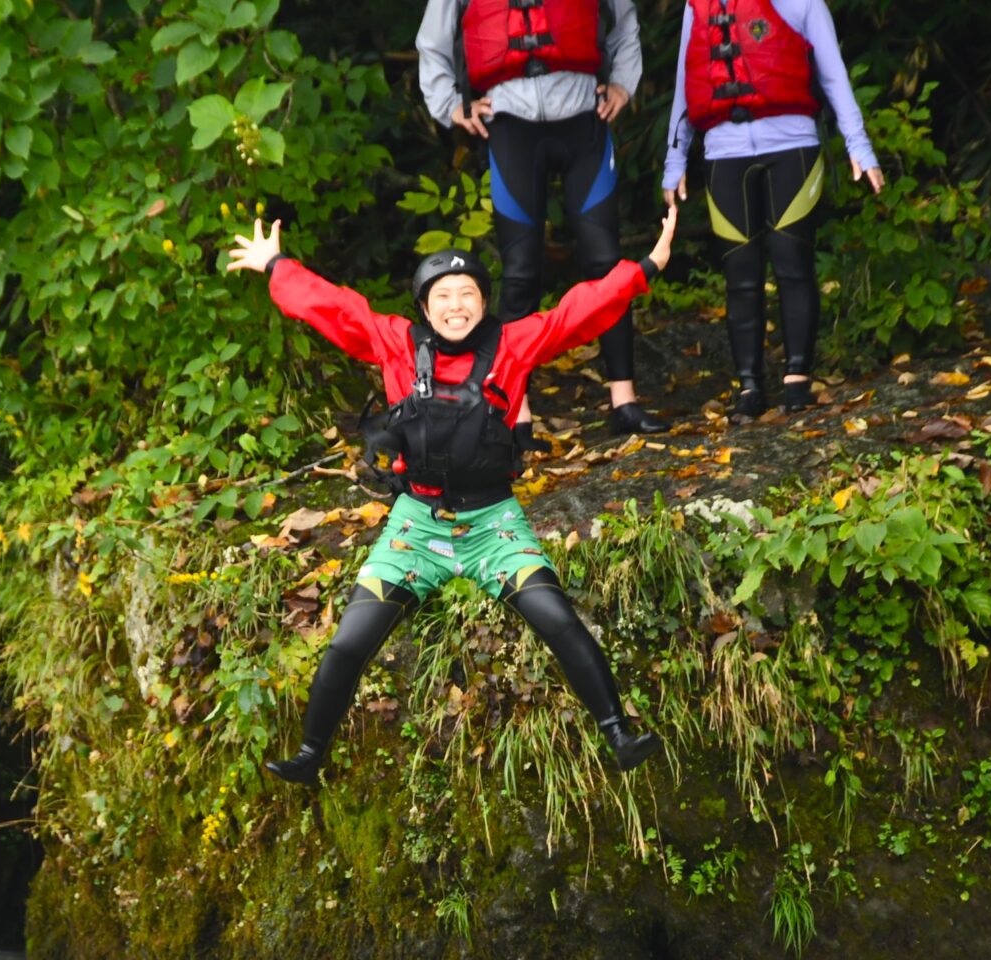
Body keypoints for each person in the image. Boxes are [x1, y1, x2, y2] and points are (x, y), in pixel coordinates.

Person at [225, 207, 677, 784]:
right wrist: (277, 266)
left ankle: (618, 735)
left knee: (556, 618)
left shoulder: (512, 345)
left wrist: (646, 267)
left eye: (468, 294)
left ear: (484, 303)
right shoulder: (396, 343)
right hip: (417, 524)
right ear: (424, 306)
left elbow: (578, 311)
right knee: (349, 642)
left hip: (493, 524)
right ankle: (311, 756)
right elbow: (336, 308)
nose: (455, 305)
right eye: (442, 295)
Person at [417, 0, 669, 440]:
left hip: (583, 119)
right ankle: (516, 412)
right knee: (520, 272)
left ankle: (624, 401)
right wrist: (450, 105)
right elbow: (432, 41)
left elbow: (623, 20)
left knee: (605, 261)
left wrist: (622, 84)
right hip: (510, 125)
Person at [662, 0, 884, 418]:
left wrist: (859, 145)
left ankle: (797, 379)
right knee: (740, 274)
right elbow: (684, 86)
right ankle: (749, 385)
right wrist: (674, 163)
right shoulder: (698, 6)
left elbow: (834, 76)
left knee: (792, 262)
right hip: (723, 152)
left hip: (793, 147)